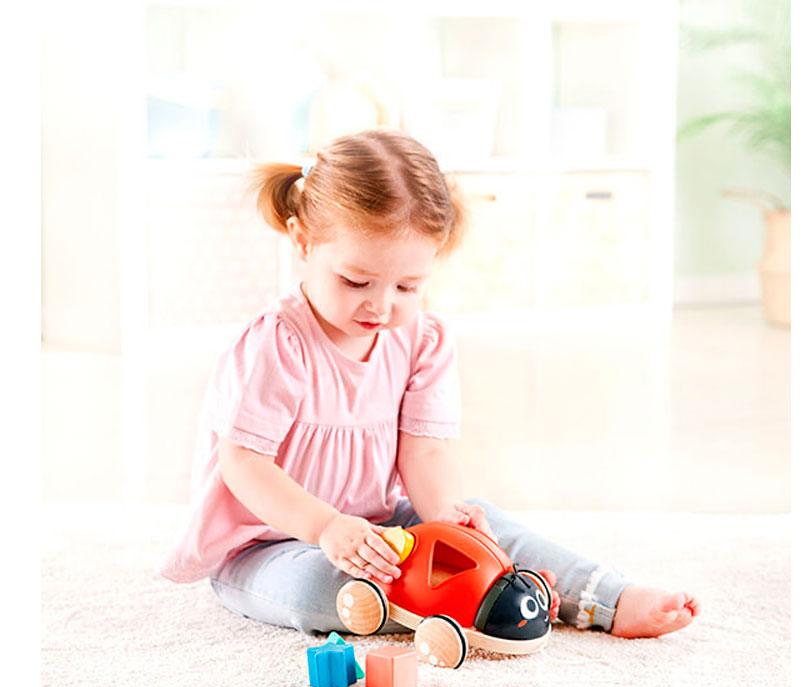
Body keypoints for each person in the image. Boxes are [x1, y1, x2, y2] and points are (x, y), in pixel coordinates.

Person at [160, 129, 700, 640]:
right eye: (355, 281)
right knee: (321, 592)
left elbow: (425, 450)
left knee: (490, 530)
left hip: (385, 526)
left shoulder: (423, 339)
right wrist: (326, 528)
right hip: (269, 544)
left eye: (407, 285)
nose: (380, 304)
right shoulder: (278, 343)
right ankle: (481, 601)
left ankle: (605, 599)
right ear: (302, 242)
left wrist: (444, 515)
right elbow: (244, 465)